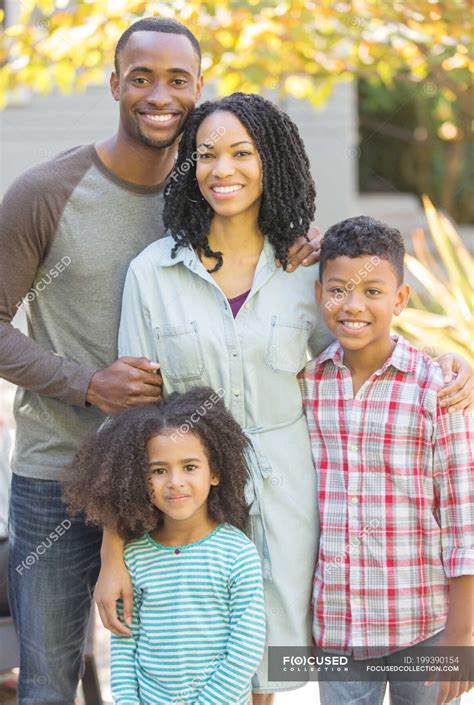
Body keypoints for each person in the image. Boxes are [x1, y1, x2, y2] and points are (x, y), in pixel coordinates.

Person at [101, 92, 473, 704]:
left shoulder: (306, 266)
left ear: (270, 160)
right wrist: (114, 550)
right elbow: (131, 425)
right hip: (191, 500)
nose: (224, 169)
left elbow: (365, 345)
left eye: (242, 152)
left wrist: (449, 364)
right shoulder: (153, 273)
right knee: (196, 663)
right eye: (206, 155)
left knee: (272, 669)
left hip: (298, 501)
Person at [0, 17, 324, 702]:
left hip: (211, 489)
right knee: (54, 681)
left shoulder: (227, 202)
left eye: (178, 79)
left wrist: (303, 240)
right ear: (114, 82)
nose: (160, 94)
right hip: (68, 469)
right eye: (140, 77)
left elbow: (338, 332)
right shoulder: (48, 193)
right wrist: (87, 384)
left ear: (199, 86)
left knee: (235, 677)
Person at [301, 216, 473, 705]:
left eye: (372, 291)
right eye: (338, 290)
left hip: (423, 622)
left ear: (400, 300)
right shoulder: (308, 385)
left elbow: (464, 515)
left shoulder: (437, 389)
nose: (353, 305)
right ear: (319, 296)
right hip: (339, 623)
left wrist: (462, 634)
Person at [62, 387, 266, 704]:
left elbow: (246, 644)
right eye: (158, 470)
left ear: (215, 473)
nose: (175, 482)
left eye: (189, 466)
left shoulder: (236, 553)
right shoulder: (133, 556)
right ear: (136, 478)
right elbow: (125, 644)